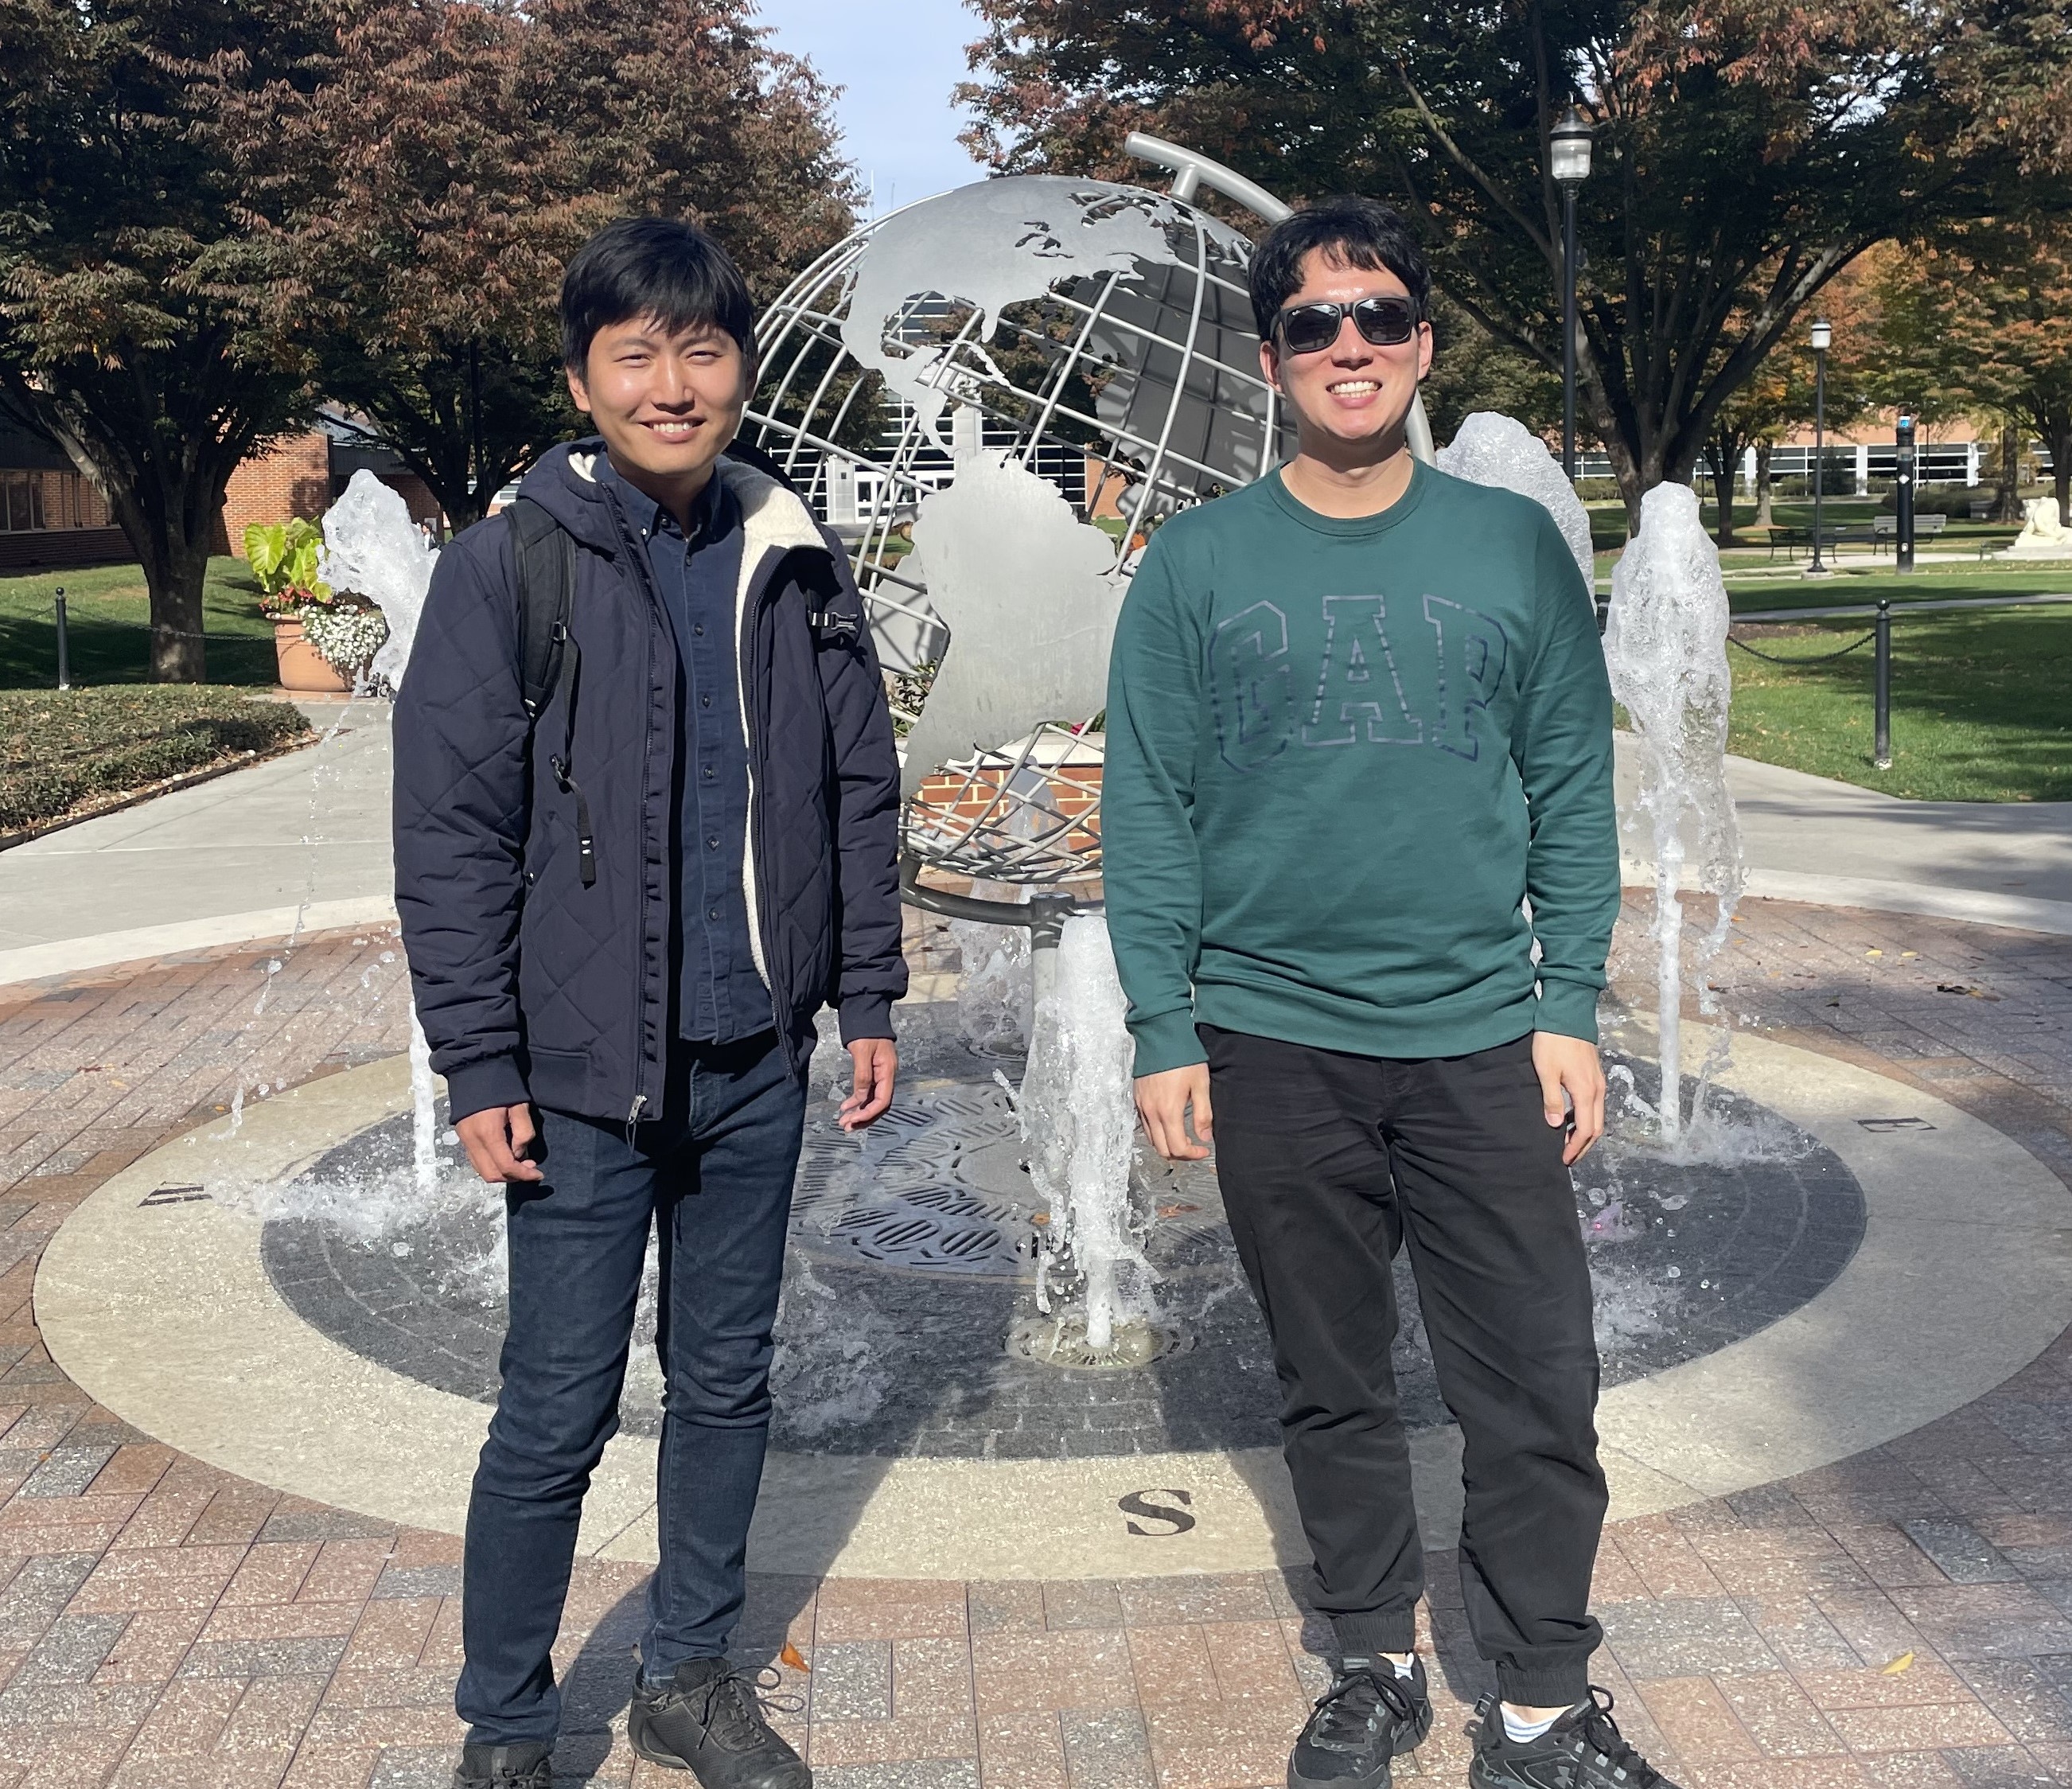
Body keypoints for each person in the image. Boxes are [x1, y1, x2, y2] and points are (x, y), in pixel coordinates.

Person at [1103, 195, 1675, 1789]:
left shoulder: (1506, 548)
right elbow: (1146, 803)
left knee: (1538, 1382)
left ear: (1421, 344)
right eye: (1311, 323)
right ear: (1270, 353)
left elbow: (1572, 786)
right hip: (1274, 1036)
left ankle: (1545, 1703)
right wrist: (1162, 1023)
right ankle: (1376, 1658)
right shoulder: (1199, 565)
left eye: (1377, 319)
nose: (1346, 347)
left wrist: (1572, 1005)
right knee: (1332, 1381)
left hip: (1483, 1037)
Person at [394, 216, 906, 1789]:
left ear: (739, 367)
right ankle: (506, 1715)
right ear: (584, 376)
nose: (672, 383)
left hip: (757, 1057)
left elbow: (860, 785)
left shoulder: (796, 559)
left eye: (700, 349)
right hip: (576, 1076)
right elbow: (451, 830)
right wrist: (478, 1052)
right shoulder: (509, 568)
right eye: (637, 352)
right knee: (555, 1405)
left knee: (727, 1378)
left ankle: (691, 1670)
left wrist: (869, 988)